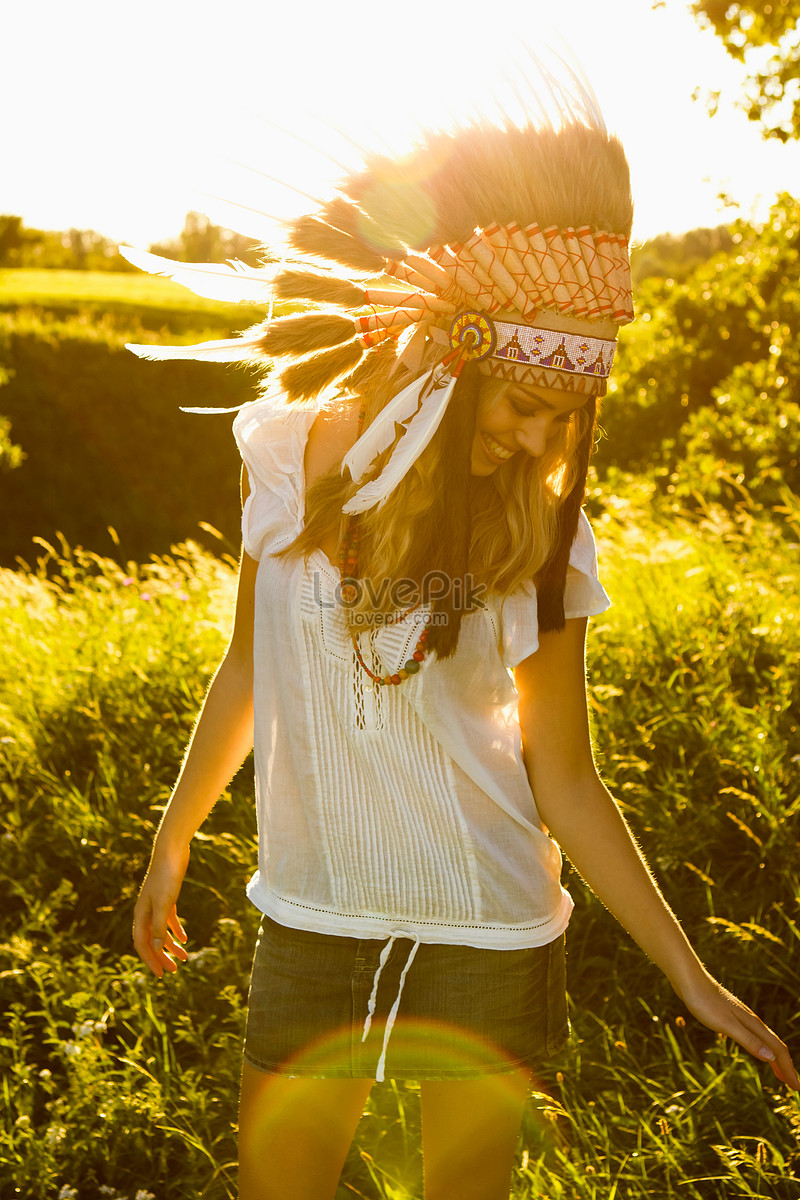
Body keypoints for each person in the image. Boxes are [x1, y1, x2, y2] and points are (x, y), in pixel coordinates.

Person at [130, 79, 798, 1200]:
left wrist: (688, 976)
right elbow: (246, 665)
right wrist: (174, 835)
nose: (535, 439)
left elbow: (565, 776)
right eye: (515, 406)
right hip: (311, 913)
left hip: (490, 931)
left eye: (561, 421)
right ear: (447, 362)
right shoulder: (291, 457)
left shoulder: (548, 533)